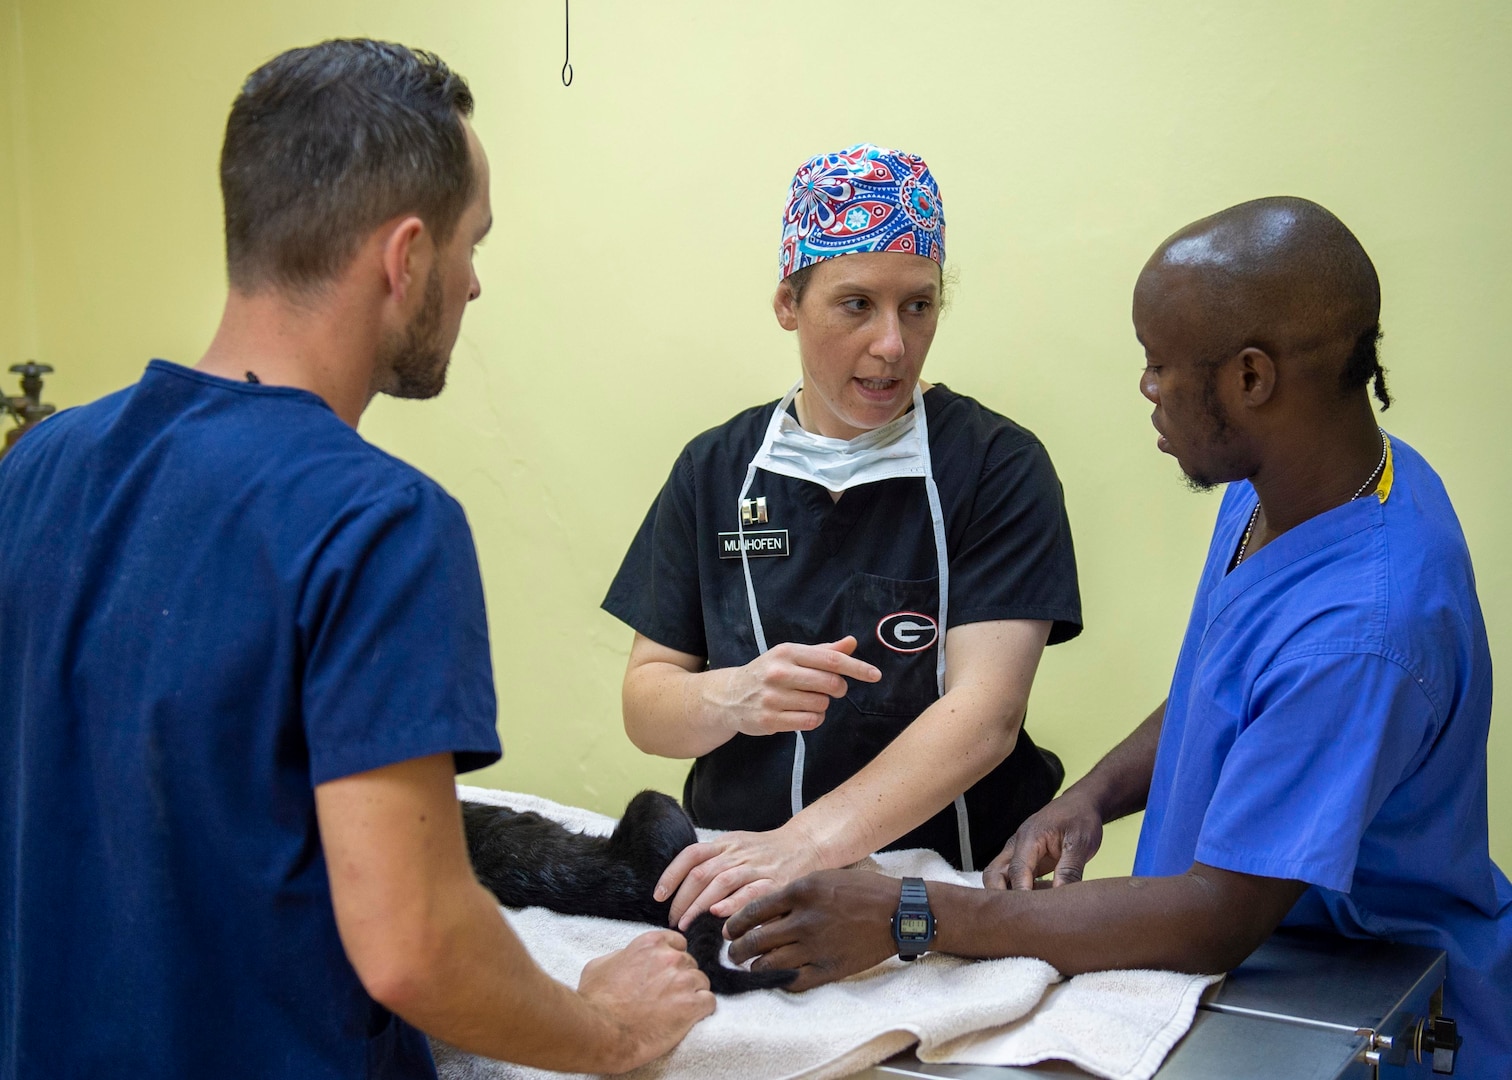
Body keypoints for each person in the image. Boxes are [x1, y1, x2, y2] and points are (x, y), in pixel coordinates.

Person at [0, 40, 711, 1080]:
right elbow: (416, 946)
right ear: (406, 255)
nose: (475, 284)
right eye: (472, 244)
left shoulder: (37, 466)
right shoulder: (378, 520)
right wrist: (607, 1028)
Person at [724, 197, 1511, 1077]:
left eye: (1159, 367)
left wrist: (911, 913)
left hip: (1336, 999)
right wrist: (1091, 798)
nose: (1145, 390)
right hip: (1231, 961)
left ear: (1252, 379)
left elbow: (1216, 915)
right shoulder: (1303, 485)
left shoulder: (1363, 630)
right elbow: (1231, 684)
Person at [603, 144, 1082, 932]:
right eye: (857, 304)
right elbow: (646, 704)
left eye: (918, 306)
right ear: (789, 303)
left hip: (945, 894)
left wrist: (809, 842)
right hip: (747, 874)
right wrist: (731, 695)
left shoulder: (997, 467)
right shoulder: (714, 471)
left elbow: (988, 712)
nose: (893, 343)